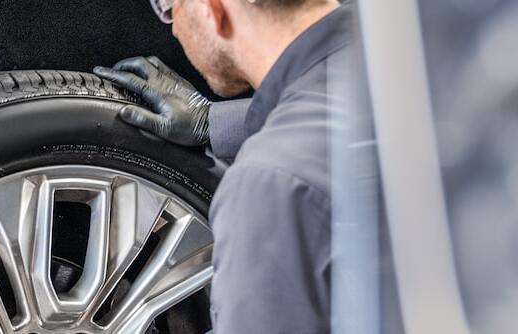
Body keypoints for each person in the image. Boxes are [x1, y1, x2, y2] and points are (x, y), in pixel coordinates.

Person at [92, 0, 362, 332]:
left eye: (169, 7)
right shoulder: (426, 65)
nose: (174, 28)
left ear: (214, 9)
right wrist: (213, 122)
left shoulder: (269, 188)